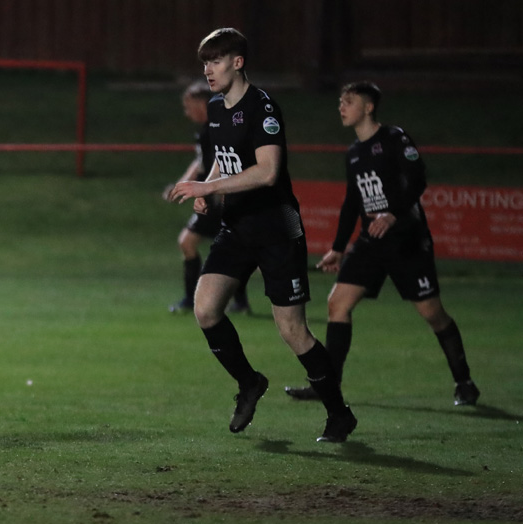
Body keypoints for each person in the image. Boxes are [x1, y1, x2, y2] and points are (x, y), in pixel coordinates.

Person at [169, 28, 356, 442]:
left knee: (293, 330)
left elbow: (268, 171)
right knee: (205, 310)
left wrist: (208, 187)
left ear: (238, 62)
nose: (208, 69)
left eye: (216, 61)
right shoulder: (216, 108)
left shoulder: (263, 107)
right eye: (205, 62)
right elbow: (224, 157)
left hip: (277, 228)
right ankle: (250, 382)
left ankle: (339, 413)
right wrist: (208, 188)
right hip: (237, 227)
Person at [284, 82, 480, 406]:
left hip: (407, 240)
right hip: (371, 241)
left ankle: (465, 381)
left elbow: (418, 178)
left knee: (432, 313)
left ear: (368, 107)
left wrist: (392, 214)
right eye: (340, 102)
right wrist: (338, 246)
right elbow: (351, 202)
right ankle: (328, 387)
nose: (341, 107)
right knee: (338, 304)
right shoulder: (354, 153)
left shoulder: (394, 139)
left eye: (348, 102)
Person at [166, 80, 250, 316]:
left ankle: (197, 300)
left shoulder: (217, 128)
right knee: (212, 247)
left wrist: (212, 188)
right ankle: (235, 301)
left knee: (194, 243)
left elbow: (221, 161)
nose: (187, 111)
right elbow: (202, 162)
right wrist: (182, 185)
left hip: (217, 197)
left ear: (202, 104)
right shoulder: (205, 130)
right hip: (211, 195)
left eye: (189, 105)